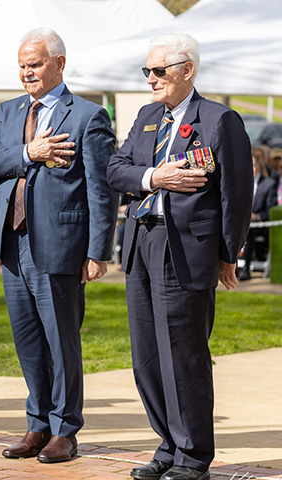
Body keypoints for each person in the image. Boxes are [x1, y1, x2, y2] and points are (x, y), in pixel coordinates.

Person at [107, 33, 252, 480]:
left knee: (183, 354)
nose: (150, 79)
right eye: (146, 71)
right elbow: (116, 169)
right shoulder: (148, 116)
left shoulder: (219, 120)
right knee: (147, 354)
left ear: (186, 70)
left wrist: (227, 256)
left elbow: (236, 194)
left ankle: (193, 456)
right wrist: (155, 176)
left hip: (186, 249)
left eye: (158, 71)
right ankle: (168, 445)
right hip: (141, 242)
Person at [0, 27, 117, 463]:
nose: (26, 73)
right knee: (28, 343)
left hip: (60, 246)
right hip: (13, 246)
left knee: (61, 343)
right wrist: (28, 152)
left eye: (34, 64)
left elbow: (101, 189)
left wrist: (97, 251)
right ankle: (36, 425)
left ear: (59, 63)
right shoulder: (8, 111)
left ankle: (65, 430)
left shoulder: (88, 116)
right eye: (21, 65)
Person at [239, 151, 278, 280]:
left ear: (259, 166)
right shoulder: (240, 183)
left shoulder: (269, 184)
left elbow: (271, 210)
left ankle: (246, 267)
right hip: (241, 222)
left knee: (249, 228)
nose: (251, 168)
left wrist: (257, 217)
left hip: (261, 225)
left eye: (254, 165)